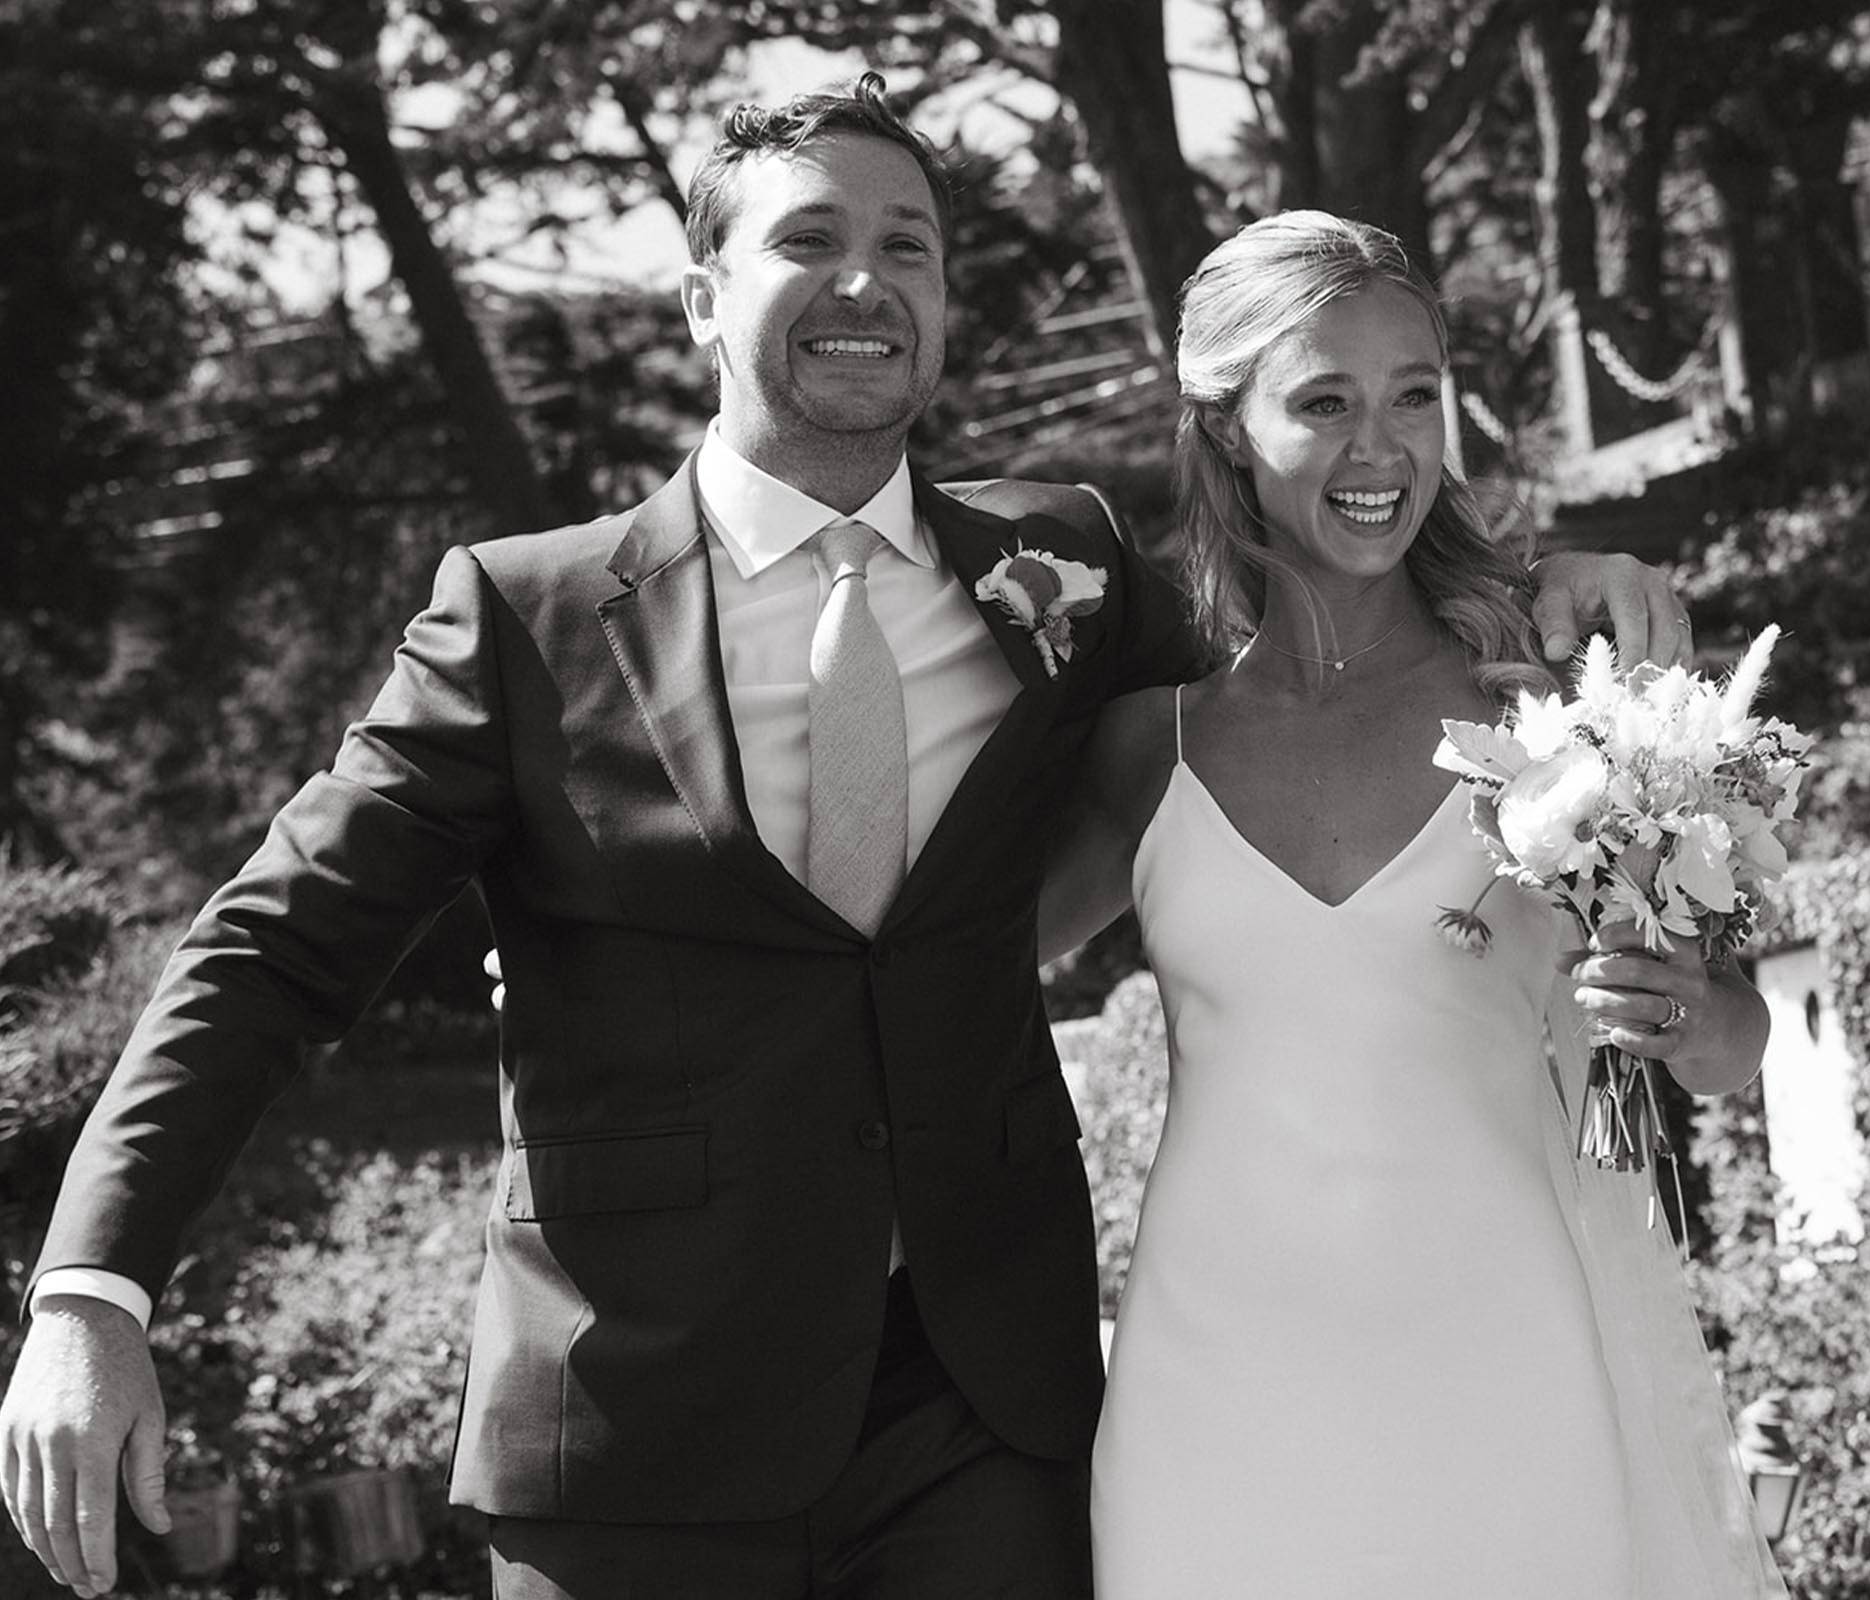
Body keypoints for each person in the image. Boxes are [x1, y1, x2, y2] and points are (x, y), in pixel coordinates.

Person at [0, 79, 1689, 1600]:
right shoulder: (521, 618)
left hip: (984, 1427)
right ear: (698, 301)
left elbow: (1320, 628)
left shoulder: (1072, 575)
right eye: (809, 238)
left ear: (948, 310)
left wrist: (1536, 593)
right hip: (638, 1439)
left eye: (914, 246)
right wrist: (92, 1294)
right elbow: (269, 948)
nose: (869, 280)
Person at [1038, 211, 1789, 1597]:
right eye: (1322, 401)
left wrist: (1675, 1007)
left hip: (1512, 1371)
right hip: (1215, 1402)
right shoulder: (1147, 747)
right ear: (1225, 435)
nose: (1379, 448)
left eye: (1414, 396)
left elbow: (1738, 1047)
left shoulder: (1566, 704)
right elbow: (938, 969)